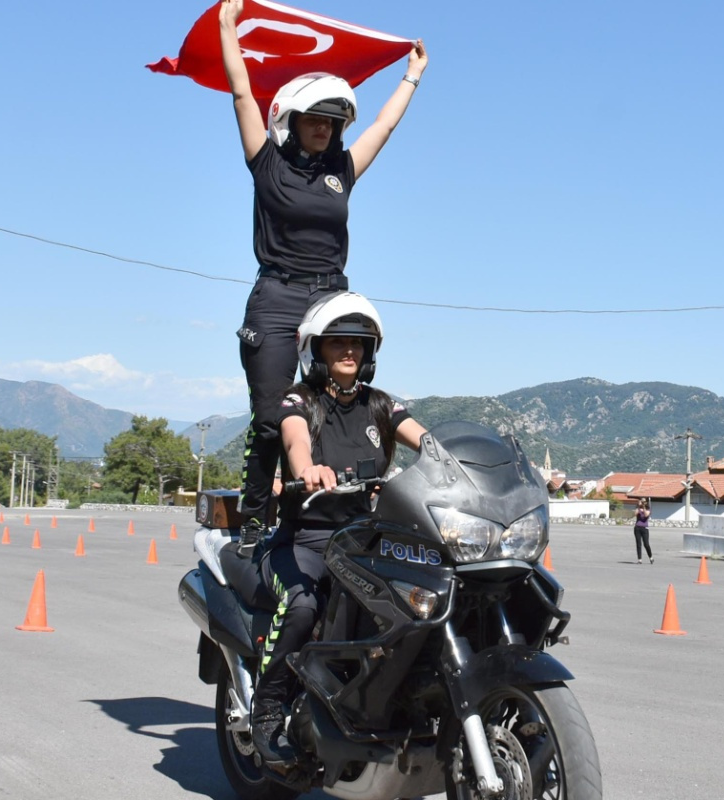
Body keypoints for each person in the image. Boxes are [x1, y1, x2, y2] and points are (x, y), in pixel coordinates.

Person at [218, 0, 429, 552]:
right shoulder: (267, 161)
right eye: (314, 118)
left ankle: (337, 506)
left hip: (331, 297)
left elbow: (381, 127)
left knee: (342, 398)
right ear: (292, 121)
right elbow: (243, 95)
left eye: (331, 121)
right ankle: (258, 519)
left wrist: (411, 76)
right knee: (271, 417)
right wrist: (226, 27)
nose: (323, 128)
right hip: (276, 293)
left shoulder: (342, 171)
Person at [249, 292, 427, 768]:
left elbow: (424, 439)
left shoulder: (381, 405)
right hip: (304, 540)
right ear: (317, 350)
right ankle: (266, 711)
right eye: (338, 343)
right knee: (304, 607)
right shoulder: (299, 399)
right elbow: (294, 436)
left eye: (359, 344)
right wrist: (307, 468)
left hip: (365, 541)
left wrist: (456, 461)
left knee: (411, 606)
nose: (350, 351)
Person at [634, 498, 653, 564]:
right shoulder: (638, 508)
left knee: (646, 544)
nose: (642, 503)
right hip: (637, 528)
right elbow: (635, 514)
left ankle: (651, 557)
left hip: (645, 528)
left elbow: (645, 515)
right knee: (638, 544)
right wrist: (639, 506)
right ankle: (640, 559)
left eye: (643, 502)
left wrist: (644, 507)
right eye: (641, 502)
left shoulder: (648, 509)